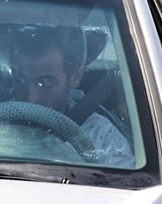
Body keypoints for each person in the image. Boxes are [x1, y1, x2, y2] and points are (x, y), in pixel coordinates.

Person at [11, 25, 134, 167]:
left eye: (46, 83)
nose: (30, 99)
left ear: (76, 76)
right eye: (20, 80)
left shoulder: (102, 136)